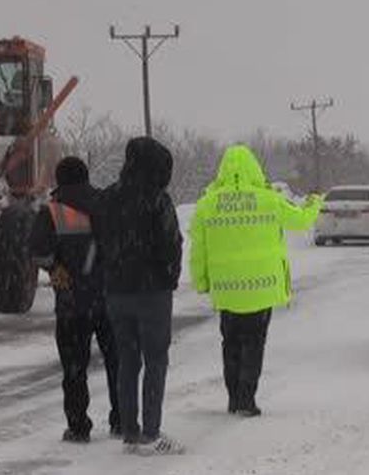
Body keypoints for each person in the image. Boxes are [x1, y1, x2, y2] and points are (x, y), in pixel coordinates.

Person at [189, 145, 323, 417]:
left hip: (227, 292)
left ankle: (233, 398)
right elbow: (300, 221)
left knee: (230, 344)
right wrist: (314, 203)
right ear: (254, 168)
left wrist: (201, 281)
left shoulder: (208, 205)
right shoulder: (268, 199)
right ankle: (247, 399)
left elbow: (198, 250)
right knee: (254, 343)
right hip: (260, 290)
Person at [100, 137, 184, 455]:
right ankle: (152, 432)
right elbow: (170, 244)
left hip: (116, 291)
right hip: (152, 292)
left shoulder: (108, 198)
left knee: (127, 362)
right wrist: (169, 276)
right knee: (156, 361)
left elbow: (101, 241)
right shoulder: (157, 200)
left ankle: (130, 432)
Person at [30, 156, 121, 443]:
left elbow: (38, 251)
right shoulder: (107, 204)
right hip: (109, 299)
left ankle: (79, 426)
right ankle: (122, 418)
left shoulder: (53, 211)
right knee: (117, 362)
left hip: (72, 302)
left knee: (74, 368)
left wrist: (55, 268)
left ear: (60, 179)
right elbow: (121, 245)